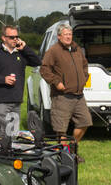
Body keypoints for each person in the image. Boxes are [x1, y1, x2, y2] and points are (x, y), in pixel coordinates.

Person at [39, 23, 91, 151]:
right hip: (62, 96)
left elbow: (85, 65)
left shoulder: (76, 49)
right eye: (65, 34)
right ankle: (63, 155)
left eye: (70, 34)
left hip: (79, 95)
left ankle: (71, 148)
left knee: (85, 122)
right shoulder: (53, 51)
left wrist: (84, 79)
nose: (68, 37)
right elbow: (44, 69)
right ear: (59, 36)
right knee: (60, 129)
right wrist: (56, 82)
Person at [0, 25, 40, 134]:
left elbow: (38, 62)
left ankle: (11, 150)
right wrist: (3, 79)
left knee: (13, 133)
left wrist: (25, 48)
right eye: (12, 37)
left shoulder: (21, 53)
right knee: (2, 133)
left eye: (17, 37)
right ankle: (0, 150)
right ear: (4, 38)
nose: (15, 39)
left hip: (16, 100)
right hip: (1, 100)